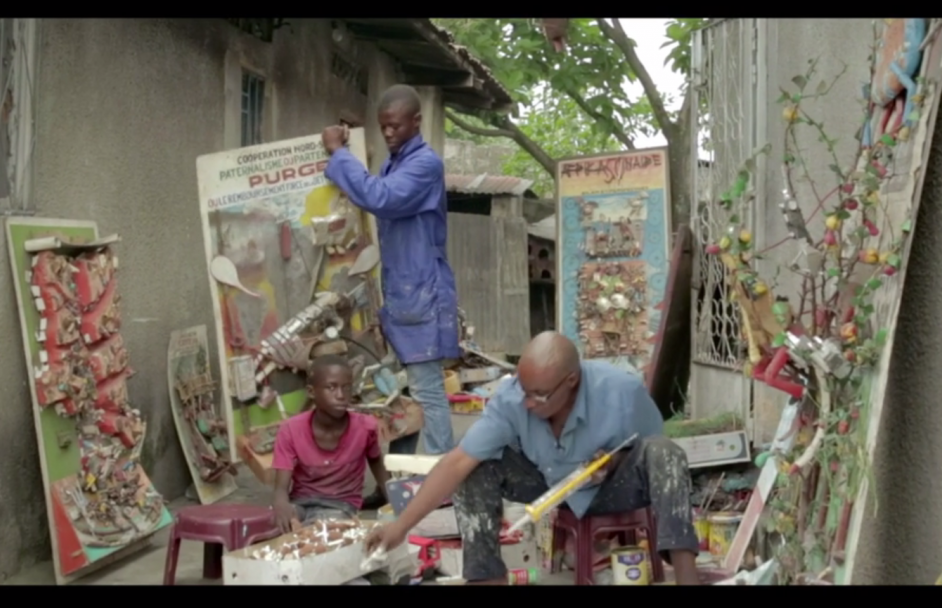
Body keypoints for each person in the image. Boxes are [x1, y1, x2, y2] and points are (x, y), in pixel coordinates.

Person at [362, 331, 703, 585]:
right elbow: (456, 462)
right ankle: (486, 578)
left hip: (611, 486)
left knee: (666, 453)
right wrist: (400, 527)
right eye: (525, 392)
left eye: (538, 395)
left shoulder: (621, 390)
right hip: (547, 483)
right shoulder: (513, 399)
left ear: (571, 380)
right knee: (476, 467)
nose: (528, 403)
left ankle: (686, 576)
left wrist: (613, 462)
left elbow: (648, 446)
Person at [322, 84, 458, 456]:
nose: (388, 134)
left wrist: (339, 154)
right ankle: (402, 477)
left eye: (395, 126)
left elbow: (378, 197)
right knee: (398, 392)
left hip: (421, 293)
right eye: (383, 127)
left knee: (427, 391)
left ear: (416, 122)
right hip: (402, 293)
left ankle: (438, 482)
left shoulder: (425, 164)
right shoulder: (394, 163)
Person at [271, 355, 389, 532]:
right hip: (301, 503)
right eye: (331, 387)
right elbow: (281, 487)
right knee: (271, 529)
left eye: (346, 388)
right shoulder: (291, 430)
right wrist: (280, 505)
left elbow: (376, 463)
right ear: (311, 392)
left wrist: (397, 504)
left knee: (322, 533)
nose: (341, 395)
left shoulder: (365, 427)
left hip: (341, 506)